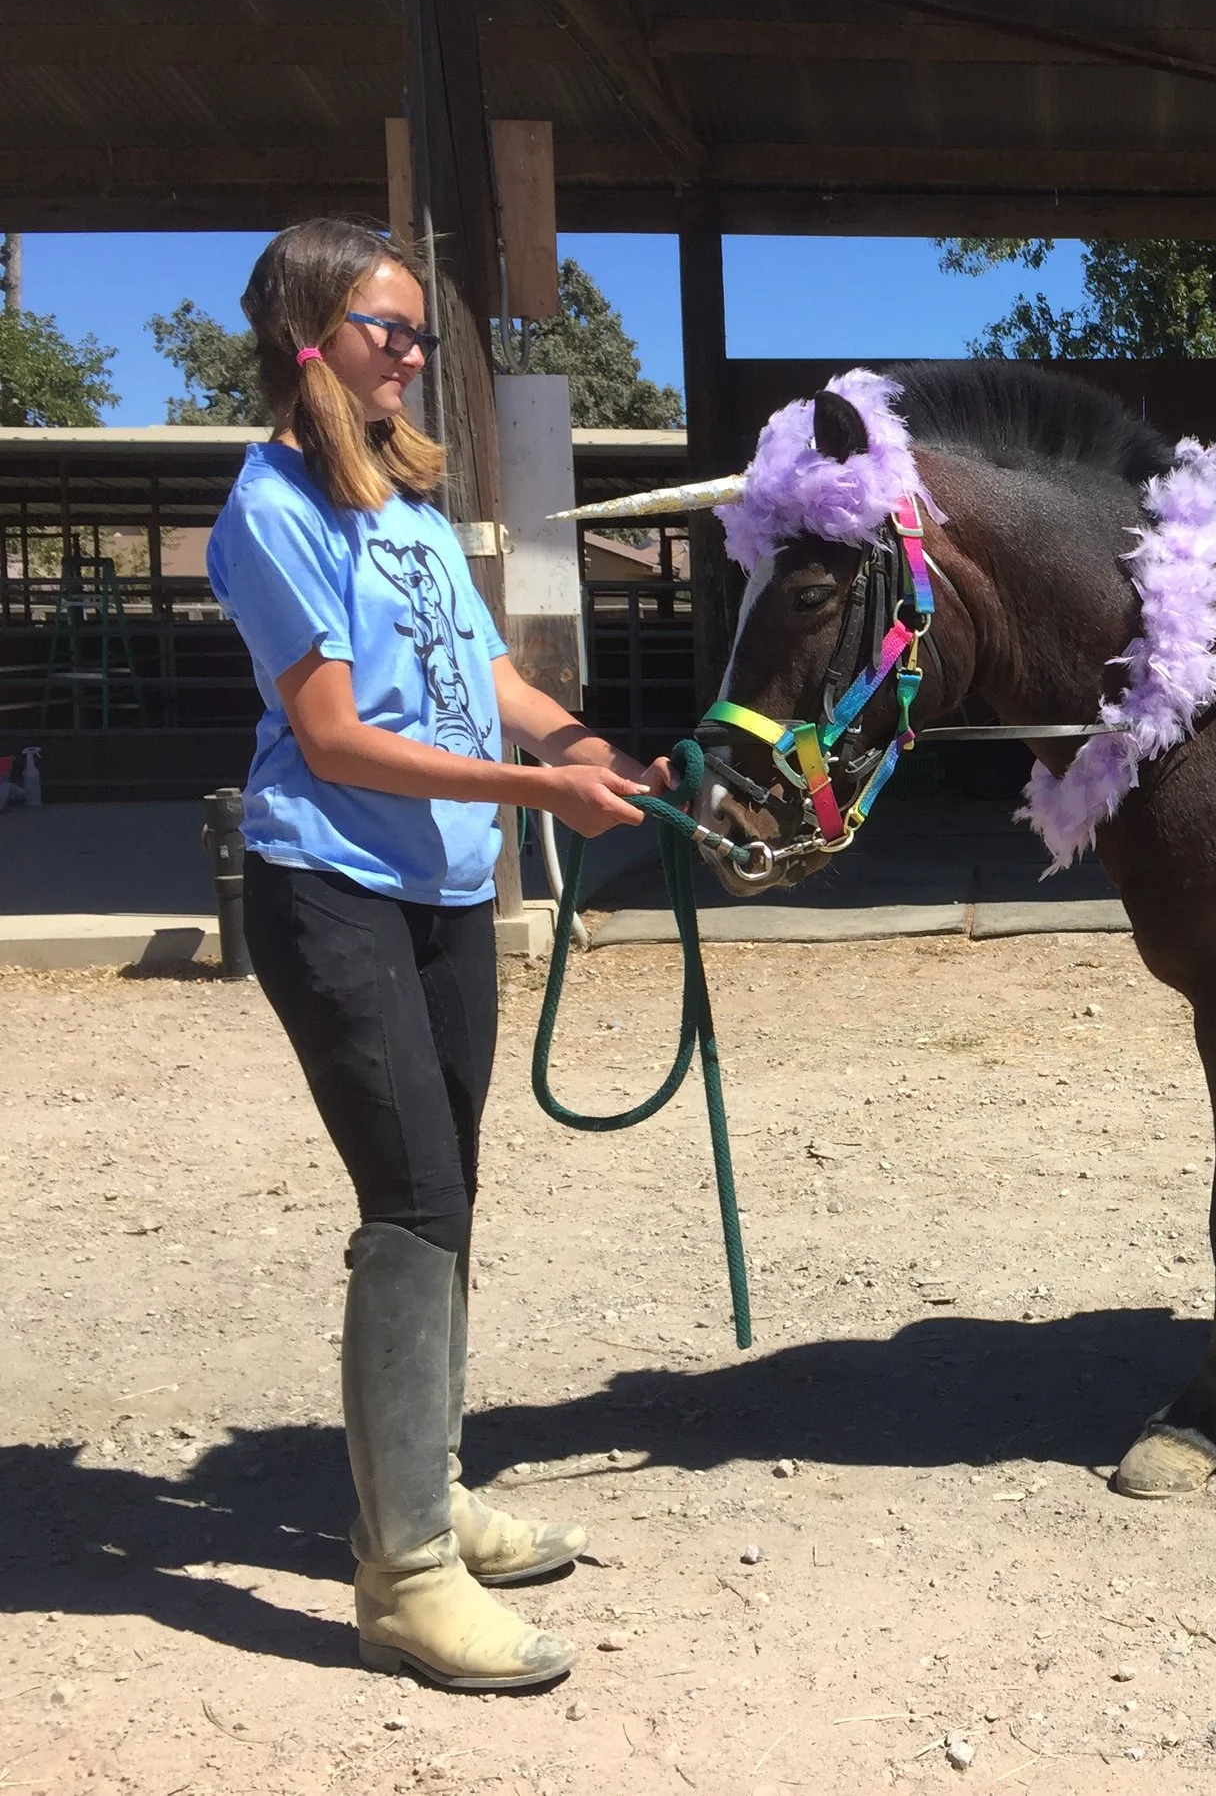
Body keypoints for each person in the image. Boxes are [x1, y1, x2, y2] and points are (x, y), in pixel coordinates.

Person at [207, 218, 660, 1691]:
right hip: (329, 885)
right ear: (308, 339)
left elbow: (488, 676)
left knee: (449, 1183)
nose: (408, 353)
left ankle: (430, 1483)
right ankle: (403, 1575)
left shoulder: (400, 503)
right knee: (410, 1193)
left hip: (447, 887)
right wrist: (545, 796)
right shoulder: (269, 509)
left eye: (411, 332)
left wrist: (580, 740)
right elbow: (333, 736)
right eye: (384, 330)